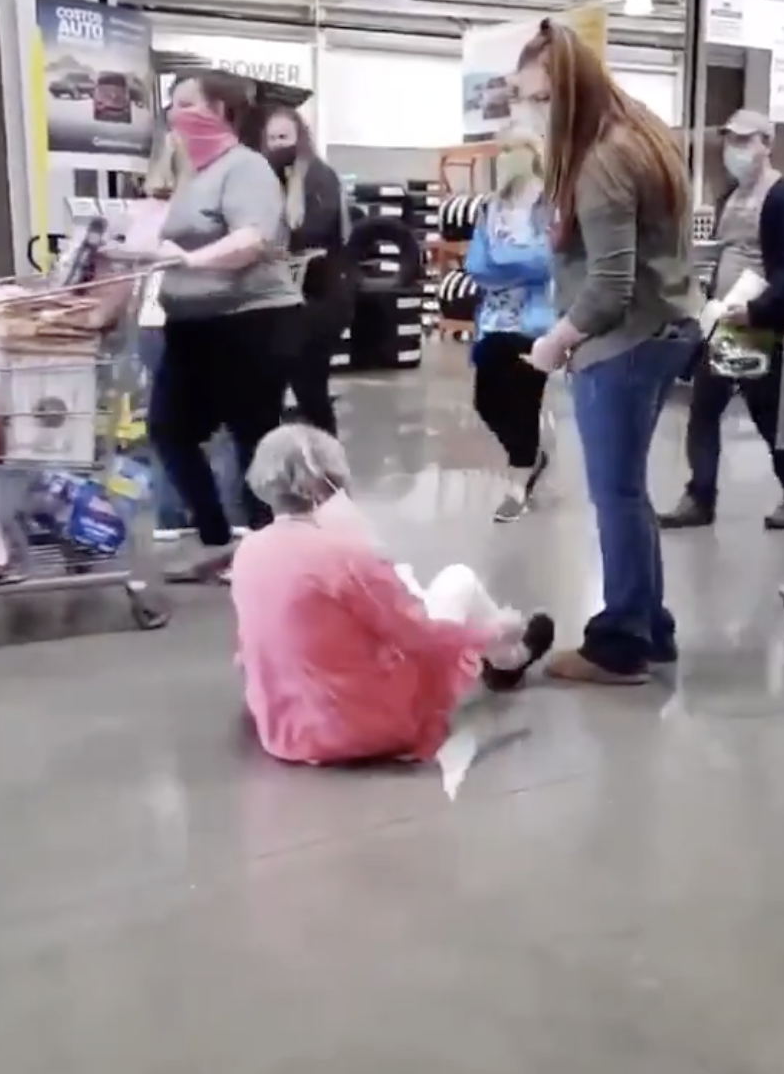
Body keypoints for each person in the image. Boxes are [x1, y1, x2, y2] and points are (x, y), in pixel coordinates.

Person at [509, 19, 702, 684]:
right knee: (628, 494)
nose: (528, 111)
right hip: (668, 327)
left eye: (538, 98)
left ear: (569, 92)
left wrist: (554, 341)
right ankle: (652, 626)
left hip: (623, 340)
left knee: (616, 495)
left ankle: (619, 644)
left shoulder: (600, 160)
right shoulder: (638, 128)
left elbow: (611, 287)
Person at [228, 425, 554, 764]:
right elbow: (417, 634)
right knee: (458, 581)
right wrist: (493, 630)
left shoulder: (249, 551)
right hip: (359, 725)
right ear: (324, 481)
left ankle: (505, 658)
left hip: (288, 729)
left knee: (393, 586)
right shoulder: (346, 555)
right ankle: (510, 656)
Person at [151, 70, 305, 579]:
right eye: (171, 104)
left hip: (249, 321)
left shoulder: (247, 168)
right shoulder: (195, 173)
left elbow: (252, 240)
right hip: (192, 325)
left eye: (186, 103)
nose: (174, 113)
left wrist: (192, 262)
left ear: (219, 111)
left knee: (251, 437)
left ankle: (266, 551)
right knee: (170, 430)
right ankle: (217, 539)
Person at [660, 110, 784, 532]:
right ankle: (700, 497)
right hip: (724, 322)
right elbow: (726, 252)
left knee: (769, 414)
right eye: (730, 140)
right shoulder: (731, 196)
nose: (735, 149)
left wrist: (759, 309)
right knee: (705, 409)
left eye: (746, 141)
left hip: (759, 326)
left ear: (767, 143)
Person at [129, 134, 244, 534]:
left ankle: (170, 516)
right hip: (208, 321)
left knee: (167, 427)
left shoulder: (148, 213)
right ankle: (228, 516)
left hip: (155, 323)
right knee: (229, 425)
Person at [460, 135, 558, 521]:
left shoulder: (548, 207)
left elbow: (547, 262)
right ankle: (533, 457)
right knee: (485, 402)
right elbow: (477, 265)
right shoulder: (491, 207)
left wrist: (502, 263)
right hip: (492, 323)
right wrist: (509, 265)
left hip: (534, 325)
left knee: (522, 405)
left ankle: (517, 486)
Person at [260, 104, 355, 436]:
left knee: (309, 386)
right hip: (287, 297)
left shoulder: (319, 176)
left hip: (322, 297)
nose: (277, 144)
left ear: (299, 137)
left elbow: (316, 229)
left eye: (284, 137)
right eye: (271, 138)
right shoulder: (270, 176)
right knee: (278, 384)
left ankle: (328, 465)